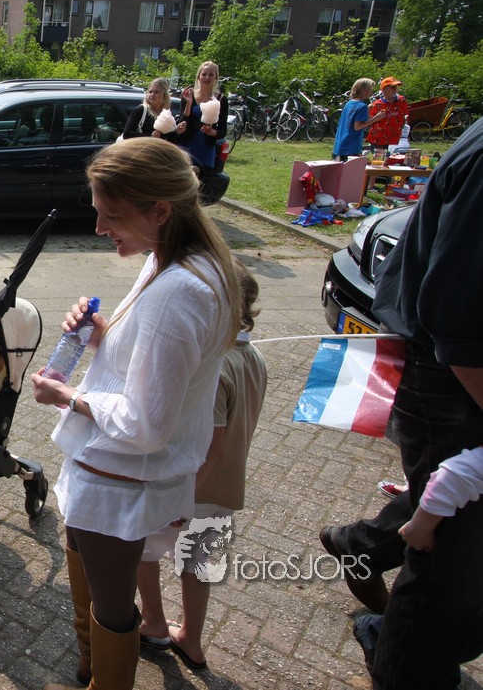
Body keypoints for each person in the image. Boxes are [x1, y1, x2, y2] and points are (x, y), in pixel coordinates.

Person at [32, 137, 242, 690]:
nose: (100, 228)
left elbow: (146, 425)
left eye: (112, 215)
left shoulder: (179, 290)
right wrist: (102, 334)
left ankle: (104, 676)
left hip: (120, 480)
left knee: (112, 608)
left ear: (160, 211)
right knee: (93, 581)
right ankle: (89, 667)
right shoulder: (171, 262)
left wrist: (68, 397)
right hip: (111, 473)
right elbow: (156, 367)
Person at [321, 117, 483, 689]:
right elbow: (458, 319)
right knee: (450, 559)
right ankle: (408, 665)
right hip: (452, 371)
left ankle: (361, 546)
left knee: (456, 511)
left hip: (449, 363)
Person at [135, 258, 268, 672]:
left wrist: (181, 499)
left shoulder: (214, 366)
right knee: (198, 565)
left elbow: (211, 443)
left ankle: (154, 622)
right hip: (226, 487)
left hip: (190, 487)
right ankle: (191, 639)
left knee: (141, 548)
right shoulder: (254, 357)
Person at [173, 61, 230, 205]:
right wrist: (188, 104)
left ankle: (192, 210)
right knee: (181, 181)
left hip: (205, 147)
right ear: (198, 76)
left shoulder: (221, 99)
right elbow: (182, 120)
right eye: (204, 74)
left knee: (199, 185)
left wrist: (212, 132)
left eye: (211, 75)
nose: (207, 78)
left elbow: (222, 131)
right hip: (186, 144)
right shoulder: (189, 94)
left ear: (216, 78)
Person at [332, 78, 387, 161]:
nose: (371, 92)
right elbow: (357, 126)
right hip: (351, 147)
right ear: (364, 90)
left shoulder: (349, 103)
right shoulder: (362, 106)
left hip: (340, 145)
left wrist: (368, 111)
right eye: (370, 89)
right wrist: (376, 118)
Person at [365, 76, 409, 151]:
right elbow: (369, 121)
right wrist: (369, 110)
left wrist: (402, 124)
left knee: (391, 156)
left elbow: (404, 114)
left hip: (393, 137)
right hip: (378, 138)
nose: (395, 89)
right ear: (384, 89)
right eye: (392, 87)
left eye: (396, 87)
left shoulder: (401, 100)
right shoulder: (377, 104)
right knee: (379, 157)